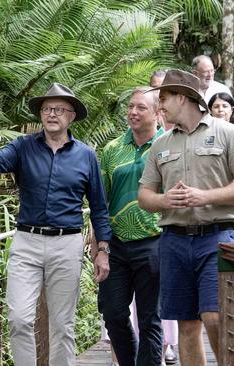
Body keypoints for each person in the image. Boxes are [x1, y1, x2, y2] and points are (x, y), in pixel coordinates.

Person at [0, 83, 112, 366]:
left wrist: (102, 250)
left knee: (62, 325)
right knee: (19, 319)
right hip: (27, 243)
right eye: (46, 109)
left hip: (67, 244)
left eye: (59, 110)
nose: (52, 114)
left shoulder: (85, 155)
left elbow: (100, 207)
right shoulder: (23, 146)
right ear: (40, 114)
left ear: (71, 116)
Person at [138, 70, 234, 365]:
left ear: (183, 97)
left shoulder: (228, 132)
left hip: (216, 237)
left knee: (216, 317)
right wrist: (165, 200)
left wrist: (206, 196)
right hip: (174, 241)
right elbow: (144, 197)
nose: (160, 106)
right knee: (187, 324)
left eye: (164, 98)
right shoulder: (161, 144)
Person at [97, 87, 165, 366]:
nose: (133, 112)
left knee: (151, 317)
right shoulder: (112, 150)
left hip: (155, 240)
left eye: (141, 108)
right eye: (131, 107)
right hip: (116, 245)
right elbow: (101, 203)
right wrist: (98, 248)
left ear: (158, 113)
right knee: (113, 314)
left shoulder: (168, 145)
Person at [149, 70, 180, 364]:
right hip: (141, 229)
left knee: (165, 289)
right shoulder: (157, 141)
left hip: (172, 229)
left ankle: (168, 343)